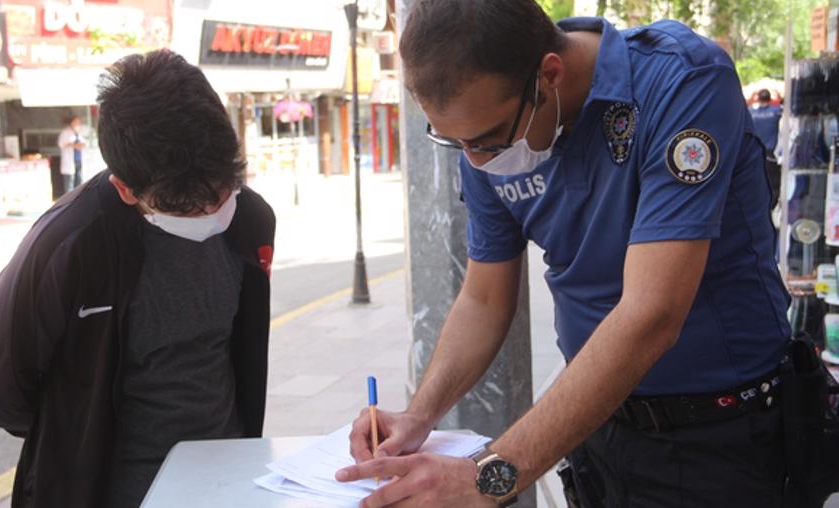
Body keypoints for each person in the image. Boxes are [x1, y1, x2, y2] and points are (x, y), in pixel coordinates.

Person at [338, 2, 793, 507]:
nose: (475, 160)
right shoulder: (488, 130)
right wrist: (418, 416)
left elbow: (653, 314)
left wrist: (487, 476)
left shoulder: (681, 81)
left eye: (486, 140)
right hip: (594, 429)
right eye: (454, 141)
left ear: (548, 76)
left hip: (719, 436)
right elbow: (484, 300)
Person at [0, 50, 276, 507]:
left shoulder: (249, 219)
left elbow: (240, 350)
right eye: (188, 207)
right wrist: (72, 429)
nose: (214, 212)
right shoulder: (69, 243)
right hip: (105, 490)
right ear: (126, 190)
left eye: (220, 191)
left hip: (224, 478)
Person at [749, 89, 784, 209]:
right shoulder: (776, 112)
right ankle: (769, 207)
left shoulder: (751, 112)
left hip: (754, 152)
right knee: (773, 183)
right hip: (771, 154)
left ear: (758, 98)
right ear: (770, 99)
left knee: (755, 181)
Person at [57, 115, 85, 193]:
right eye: (75, 122)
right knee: (69, 182)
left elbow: (84, 143)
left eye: (78, 122)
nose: (77, 124)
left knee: (79, 180)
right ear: (71, 123)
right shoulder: (65, 132)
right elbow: (61, 144)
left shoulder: (79, 132)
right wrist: (73, 145)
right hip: (69, 161)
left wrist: (81, 145)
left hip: (78, 160)